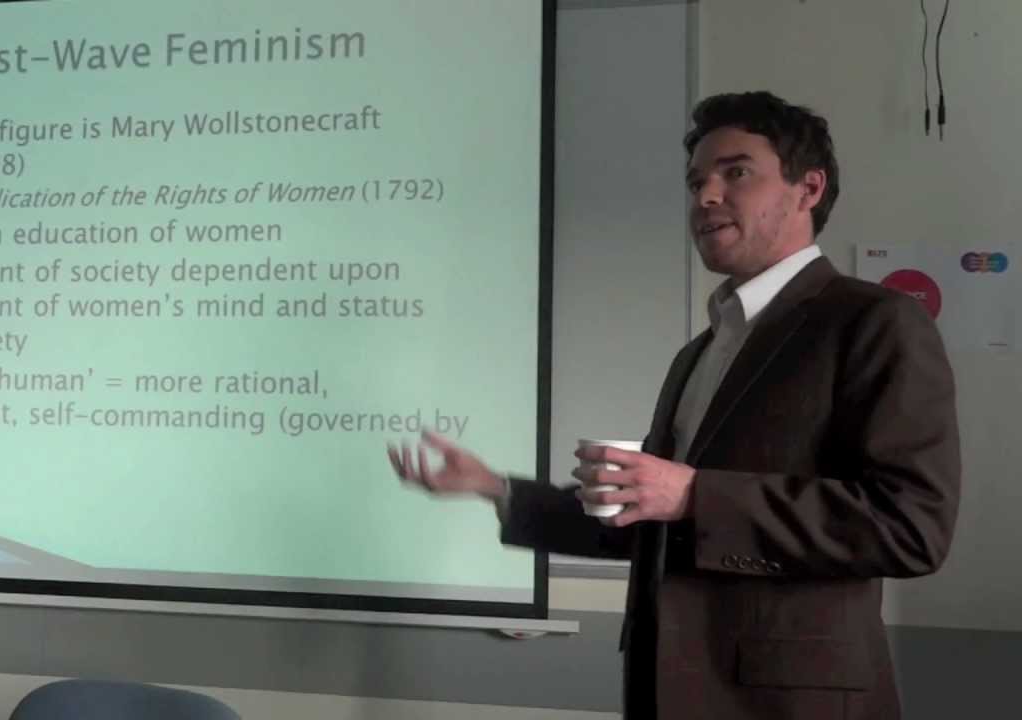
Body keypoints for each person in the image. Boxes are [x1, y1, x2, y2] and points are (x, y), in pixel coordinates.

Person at [387, 91, 960, 720]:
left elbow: (911, 527)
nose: (706, 196)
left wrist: (693, 495)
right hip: (666, 694)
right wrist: (495, 488)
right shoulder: (701, 350)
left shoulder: (875, 322)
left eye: (735, 172)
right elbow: (656, 524)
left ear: (809, 188)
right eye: (695, 182)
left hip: (789, 703)